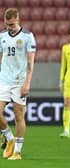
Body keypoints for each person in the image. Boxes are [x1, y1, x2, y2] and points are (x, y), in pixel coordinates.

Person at [0, 8, 36, 160]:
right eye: (7, 24)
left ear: (18, 20)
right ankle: (9, 139)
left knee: (18, 115)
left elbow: (30, 62)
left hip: (20, 81)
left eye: (12, 24)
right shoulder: (1, 35)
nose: (9, 27)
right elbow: (2, 56)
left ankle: (17, 152)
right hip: (4, 80)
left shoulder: (28, 37)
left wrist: (27, 83)